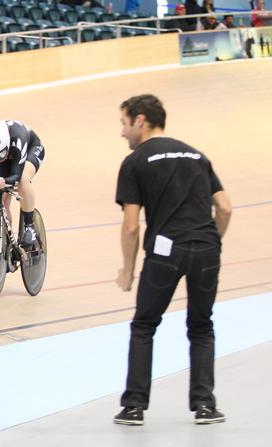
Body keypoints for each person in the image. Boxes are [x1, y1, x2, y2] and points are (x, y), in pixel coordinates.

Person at [113, 94, 232, 426]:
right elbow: (225, 207)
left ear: (140, 120)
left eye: (123, 123)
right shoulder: (196, 154)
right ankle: (205, 406)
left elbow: (132, 226)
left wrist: (128, 270)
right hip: (207, 247)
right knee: (201, 326)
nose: (122, 132)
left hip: (166, 251)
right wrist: (211, 243)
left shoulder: (135, 162)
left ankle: (134, 406)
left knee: (144, 326)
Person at [0, 120, 45, 247]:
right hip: (7, 151)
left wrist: (6, 181)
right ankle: (7, 239)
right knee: (0, 198)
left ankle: (29, 226)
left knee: (23, 180)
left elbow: (15, 177)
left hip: (30, 149)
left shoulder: (18, 139)